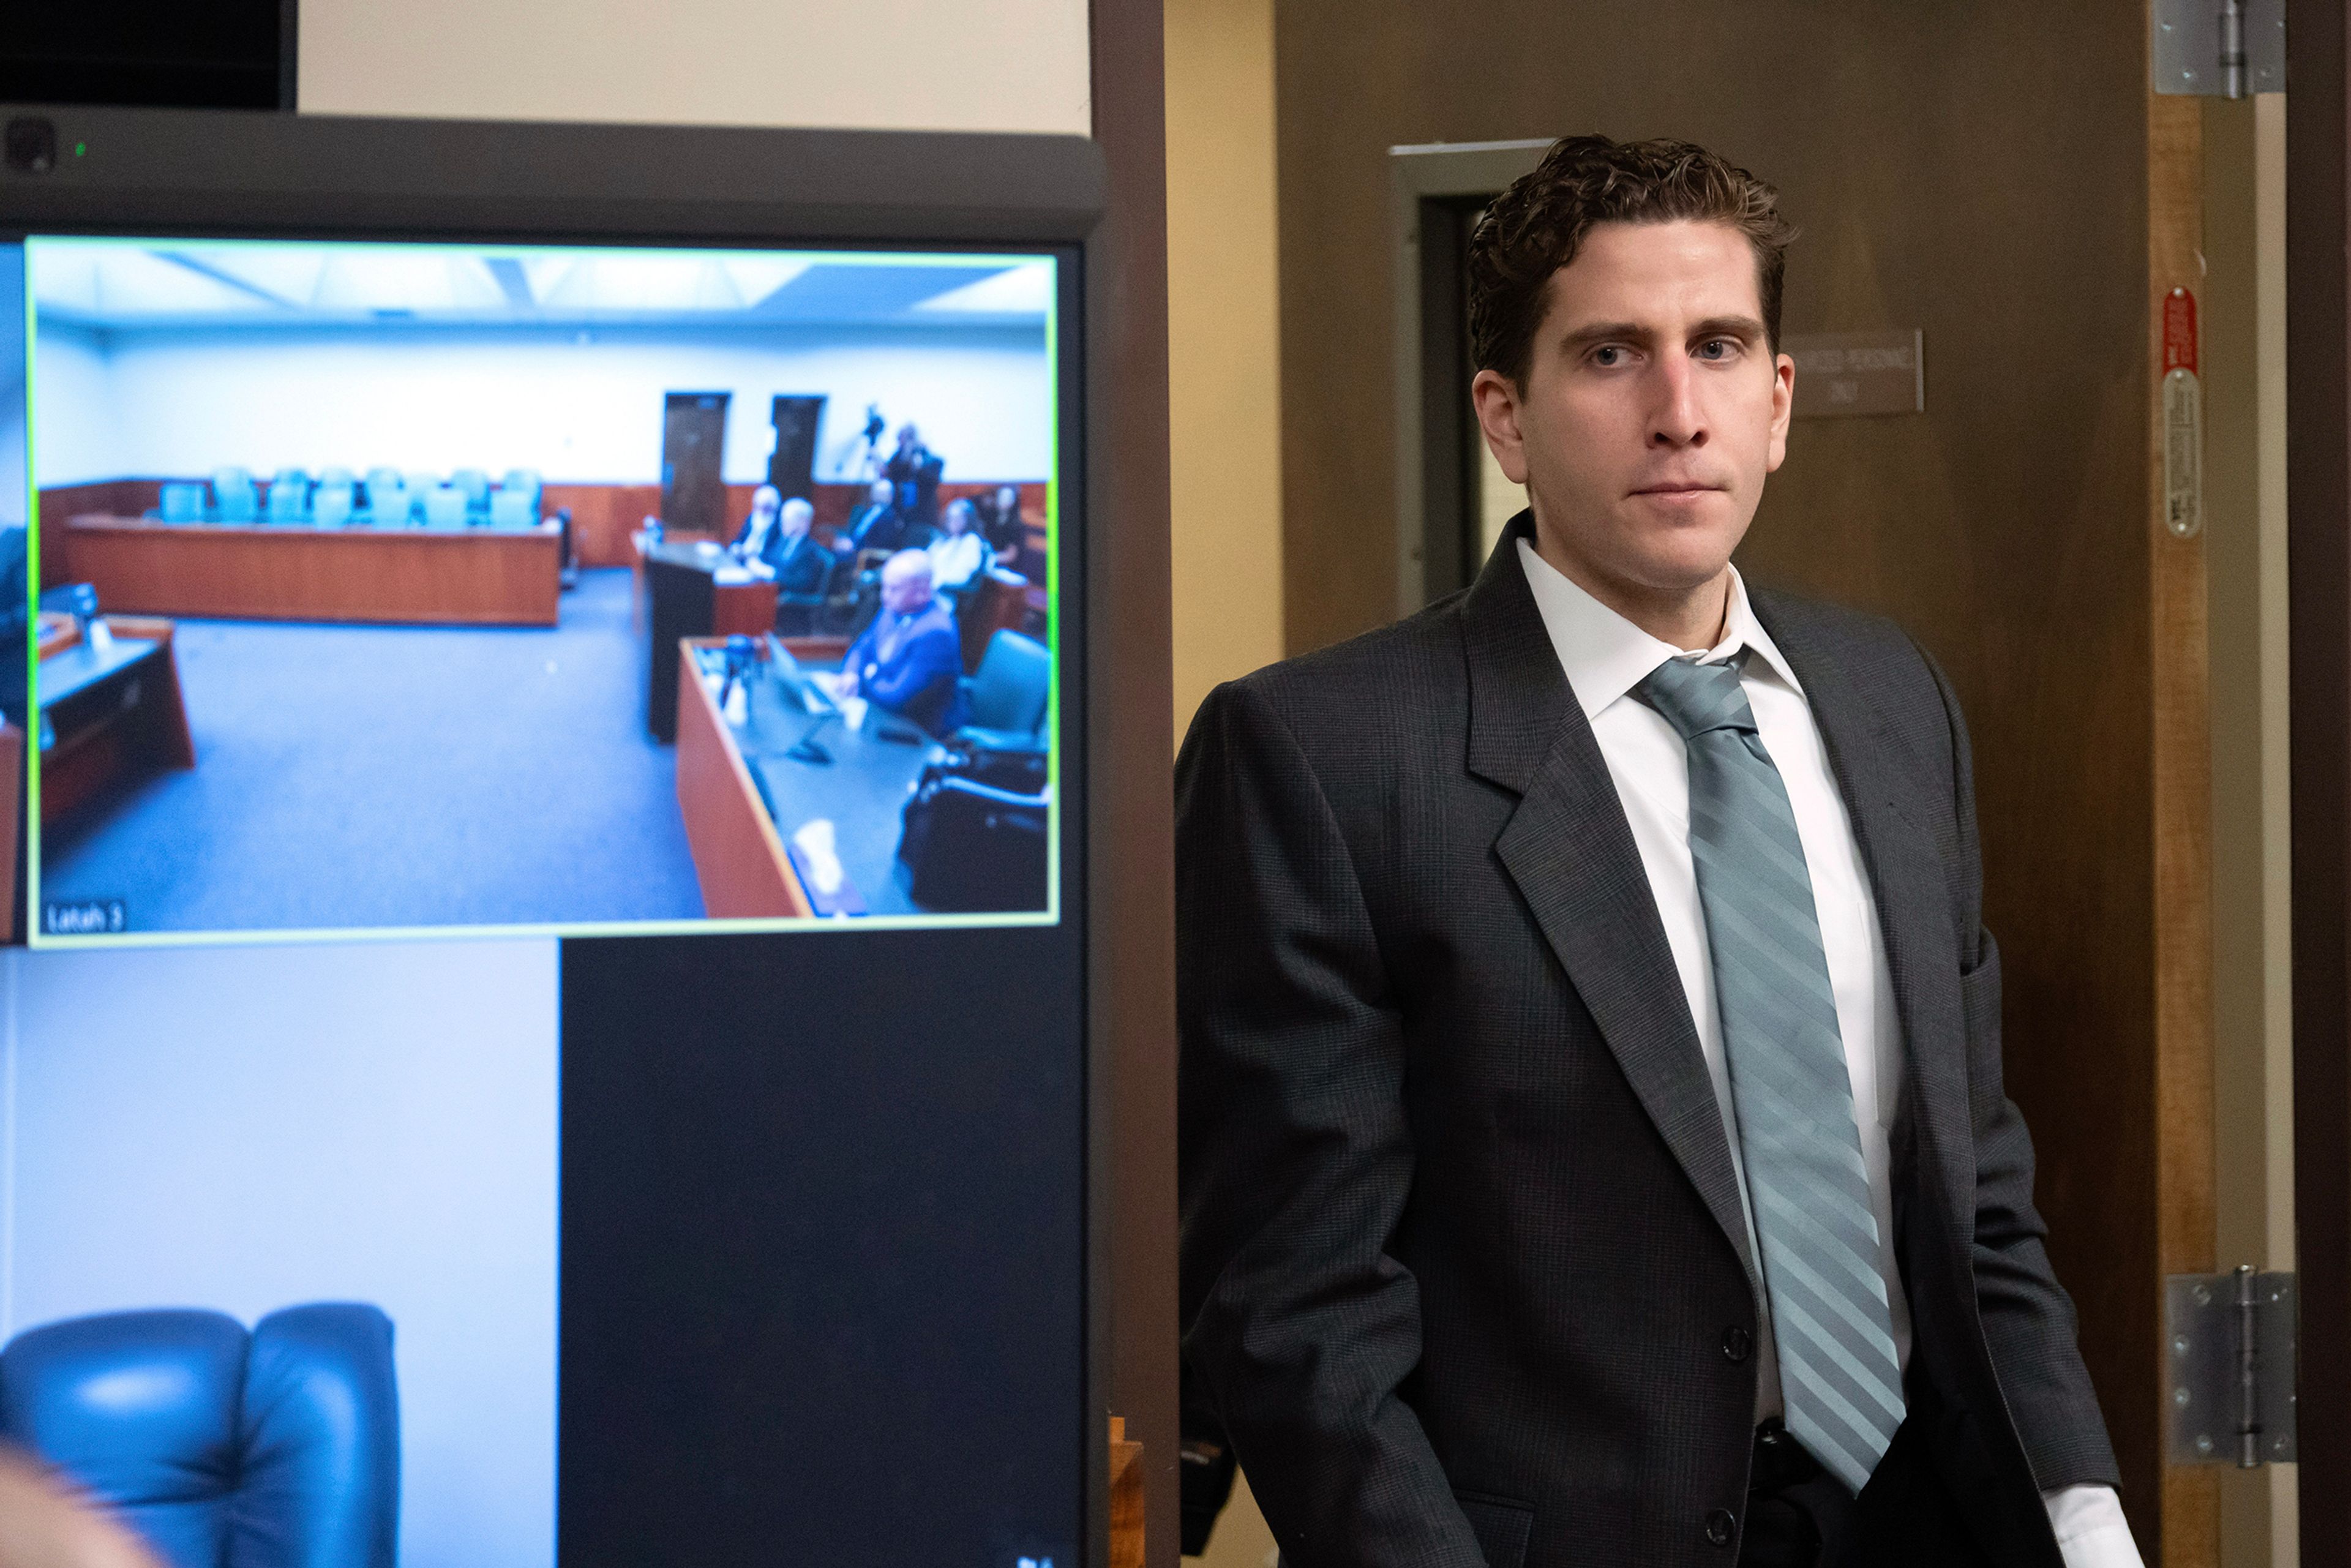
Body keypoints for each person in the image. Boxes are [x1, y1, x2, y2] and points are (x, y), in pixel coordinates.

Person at [1177, 135, 2139, 1568]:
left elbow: (1974, 1192)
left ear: (1779, 398)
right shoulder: (1318, 756)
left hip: (1922, 1521)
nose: (1679, 412)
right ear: (1504, 416)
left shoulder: (1890, 703)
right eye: (1611, 354)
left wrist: (2082, 1514)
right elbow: (1293, 1309)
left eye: (1720, 346)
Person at [827, 550, 964, 733]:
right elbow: (862, 647)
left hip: (915, 731)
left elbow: (897, 697)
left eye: (894, 589)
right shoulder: (894, 608)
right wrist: (852, 673)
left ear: (922, 592)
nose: (885, 595)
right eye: (885, 587)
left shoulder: (936, 633)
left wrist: (863, 679)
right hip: (880, 711)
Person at [883, 422, 945, 538]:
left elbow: (932, 481)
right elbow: (891, 474)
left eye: (906, 438)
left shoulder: (932, 460)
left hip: (924, 516)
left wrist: (919, 467)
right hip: (902, 515)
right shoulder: (898, 458)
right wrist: (905, 457)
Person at [925, 498, 992, 592]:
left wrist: (939, 581)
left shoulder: (971, 541)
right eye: (951, 518)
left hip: (949, 592)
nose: (954, 522)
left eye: (958, 518)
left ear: (968, 520)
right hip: (929, 587)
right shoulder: (943, 540)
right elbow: (927, 560)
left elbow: (963, 576)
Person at [836, 479, 907, 557]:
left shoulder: (889, 516)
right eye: (876, 492)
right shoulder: (872, 510)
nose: (877, 495)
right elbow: (861, 531)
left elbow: (881, 543)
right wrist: (850, 542)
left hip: (865, 554)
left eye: (881, 493)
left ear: (890, 495)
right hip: (854, 545)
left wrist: (855, 547)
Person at [975, 483, 1029, 565]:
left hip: (1007, 566)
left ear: (1014, 500)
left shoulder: (1017, 525)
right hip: (988, 562)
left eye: (1008, 498)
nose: (1004, 501)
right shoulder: (990, 517)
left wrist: (990, 559)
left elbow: (1011, 556)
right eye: (1002, 497)